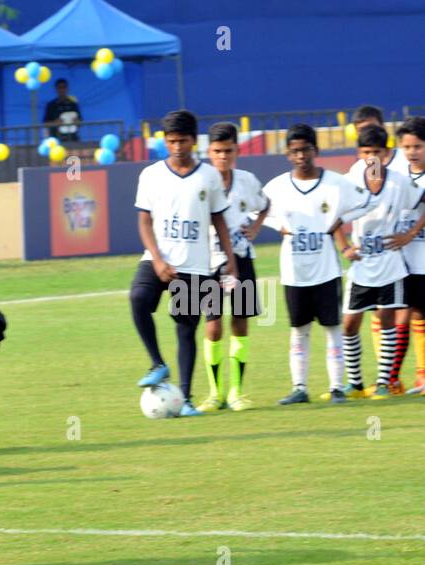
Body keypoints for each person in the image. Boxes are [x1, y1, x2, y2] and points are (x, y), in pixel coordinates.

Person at [130, 109, 237, 415]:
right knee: (138, 298)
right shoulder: (150, 175)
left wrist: (229, 260)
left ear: (194, 141)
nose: (177, 147)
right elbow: (144, 222)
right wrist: (158, 259)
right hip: (157, 259)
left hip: (194, 265)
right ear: (165, 141)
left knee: (185, 329)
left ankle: (186, 399)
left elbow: (219, 220)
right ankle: (157, 364)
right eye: (172, 141)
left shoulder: (208, 177)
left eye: (183, 141)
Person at [263, 124, 375, 404]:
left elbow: (366, 202)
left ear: (316, 150)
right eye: (295, 151)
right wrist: (279, 225)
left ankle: (337, 387)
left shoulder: (335, 183)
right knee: (299, 331)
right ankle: (299, 387)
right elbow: (258, 210)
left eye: (306, 149)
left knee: (332, 328)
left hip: (326, 270)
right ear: (288, 154)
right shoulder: (277, 186)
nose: (301, 155)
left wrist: (338, 221)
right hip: (294, 272)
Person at [337, 124, 419, 399]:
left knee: (386, 320)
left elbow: (421, 204)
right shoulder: (350, 181)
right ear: (359, 153)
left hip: (390, 265)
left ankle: (384, 383)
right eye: (365, 153)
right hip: (361, 265)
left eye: (376, 152)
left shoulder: (399, 182)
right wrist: (344, 247)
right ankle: (355, 383)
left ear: (386, 153)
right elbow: (335, 216)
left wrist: (410, 233)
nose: (371, 158)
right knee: (349, 323)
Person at [199, 122, 269, 412]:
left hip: (241, 257)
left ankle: (237, 392)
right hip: (207, 260)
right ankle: (215, 393)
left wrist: (255, 227)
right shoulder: (201, 181)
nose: (223, 156)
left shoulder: (247, 181)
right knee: (212, 325)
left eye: (228, 150)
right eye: (217, 151)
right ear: (208, 152)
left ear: (237, 150)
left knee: (240, 321)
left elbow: (265, 204)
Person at [393, 117, 425, 394]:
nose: (412, 152)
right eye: (407, 146)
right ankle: (393, 379)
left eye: (418, 146)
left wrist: (413, 231)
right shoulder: (398, 176)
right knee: (404, 315)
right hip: (404, 260)